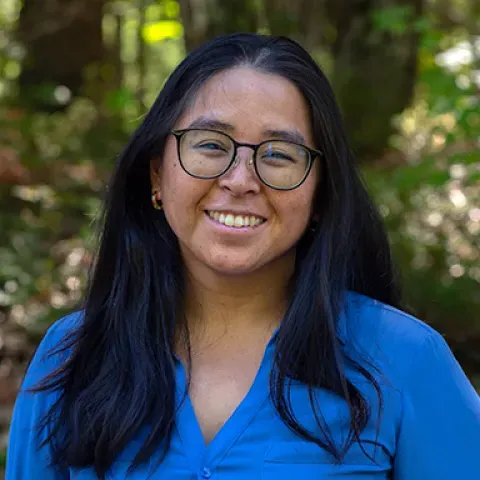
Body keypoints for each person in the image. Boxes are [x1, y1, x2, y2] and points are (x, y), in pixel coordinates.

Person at [6, 33, 480, 480]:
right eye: (211, 145)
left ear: (320, 193)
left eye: (278, 154)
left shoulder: (403, 361)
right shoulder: (70, 358)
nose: (240, 179)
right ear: (157, 175)